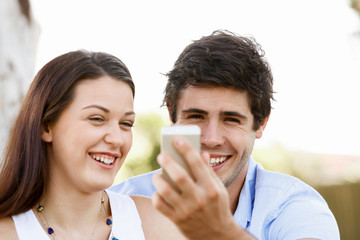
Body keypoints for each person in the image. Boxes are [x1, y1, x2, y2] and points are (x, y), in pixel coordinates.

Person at [110, 30, 340, 239]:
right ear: (172, 115)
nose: (211, 138)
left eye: (231, 119)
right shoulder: (118, 203)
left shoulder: (293, 207)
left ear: (261, 124)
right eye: (196, 116)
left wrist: (220, 230)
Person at [0, 50, 185, 240]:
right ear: (46, 127)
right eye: (97, 119)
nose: (117, 139)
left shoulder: (156, 223)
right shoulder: (7, 232)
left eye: (126, 124)